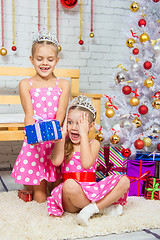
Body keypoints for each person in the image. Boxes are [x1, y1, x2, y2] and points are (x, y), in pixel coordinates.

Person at [47, 95, 130, 226]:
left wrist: (84, 135)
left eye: (80, 124)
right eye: (70, 122)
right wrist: (62, 136)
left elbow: (86, 163)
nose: (74, 127)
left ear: (90, 126)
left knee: (125, 180)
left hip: (92, 190)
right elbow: (56, 161)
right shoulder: (64, 143)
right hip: (72, 196)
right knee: (69, 184)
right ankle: (102, 208)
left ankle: (92, 209)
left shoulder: (93, 143)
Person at [11, 30, 70, 203]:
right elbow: (29, 114)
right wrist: (32, 134)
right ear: (32, 60)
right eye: (39, 59)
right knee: (40, 197)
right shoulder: (25, 84)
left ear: (56, 61)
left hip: (54, 137)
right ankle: (37, 190)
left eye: (50, 60)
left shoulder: (63, 84)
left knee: (59, 189)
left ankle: (56, 193)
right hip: (36, 140)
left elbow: (61, 112)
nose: (45, 63)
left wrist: (50, 131)